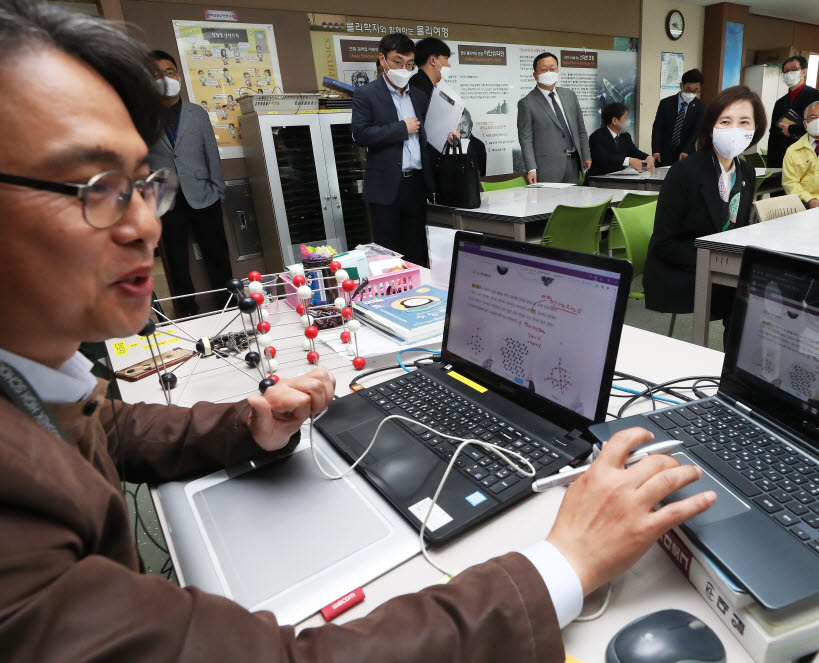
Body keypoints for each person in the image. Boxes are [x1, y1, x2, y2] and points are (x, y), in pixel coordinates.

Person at [0, 3, 716, 660]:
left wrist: (249, 427)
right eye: (93, 185)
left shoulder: (32, 380)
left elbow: (111, 429)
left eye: (140, 182)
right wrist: (560, 565)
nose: (145, 225)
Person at [644, 86, 766, 325]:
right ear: (711, 127)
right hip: (683, 268)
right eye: (725, 121)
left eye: (744, 122)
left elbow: (737, 231)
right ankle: (731, 359)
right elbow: (664, 243)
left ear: (755, 129)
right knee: (749, 296)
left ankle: (738, 359)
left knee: (767, 290)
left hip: (724, 267)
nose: (734, 129)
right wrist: (719, 262)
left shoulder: (747, 172)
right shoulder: (685, 171)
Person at [148, 49, 232, 316]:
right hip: (166, 200)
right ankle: (188, 312)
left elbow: (212, 154)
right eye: (156, 74)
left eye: (169, 72)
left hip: (204, 195)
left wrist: (218, 189)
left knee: (217, 256)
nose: (165, 78)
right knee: (177, 262)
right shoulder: (143, 117)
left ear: (179, 77)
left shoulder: (197, 114)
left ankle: (228, 305)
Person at [351, 33, 436, 266]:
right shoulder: (366, 94)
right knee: (388, 252)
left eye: (409, 64)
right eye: (398, 62)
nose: (403, 69)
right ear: (382, 59)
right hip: (386, 186)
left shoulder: (418, 96)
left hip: (416, 184)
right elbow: (361, 135)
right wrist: (401, 128)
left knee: (418, 248)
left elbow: (425, 136)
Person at [517, 52, 591, 184]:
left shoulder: (569, 95)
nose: (549, 73)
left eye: (552, 69)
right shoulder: (527, 103)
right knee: (549, 203)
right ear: (535, 75)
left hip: (574, 164)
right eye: (544, 70)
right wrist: (531, 168)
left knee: (573, 202)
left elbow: (580, 129)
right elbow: (525, 139)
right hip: (546, 168)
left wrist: (586, 155)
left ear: (558, 71)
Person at [766, 56, 819, 168]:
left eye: (793, 69)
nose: (789, 73)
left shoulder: (815, 95)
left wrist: (791, 129)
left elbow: (818, 125)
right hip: (782, 155)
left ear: (803, 71)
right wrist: (771, 163)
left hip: (805, 154)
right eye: (786, 71)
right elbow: (773, 133)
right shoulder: (780, 102)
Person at [650, 68, 705, 166]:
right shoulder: (666, 103)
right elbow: (657, 128)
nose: (691, 93)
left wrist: (686, 151)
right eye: (688, 89)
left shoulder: (701, 107)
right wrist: (656, 151)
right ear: (681, 86)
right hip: (663, 154)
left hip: (686, 154)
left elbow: (695, 132)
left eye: (695, 91)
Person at [587, 102, 654, 177]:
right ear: (614, 121)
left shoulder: (625, 136)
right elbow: (605, 158)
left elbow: (634, 152)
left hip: (619, 179)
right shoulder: (597, 136)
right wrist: (629, 161)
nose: (628, 121)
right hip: (598, 179)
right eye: (626, 118)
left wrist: (648, 158)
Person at [458, 108, 487, 176]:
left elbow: (482, 173)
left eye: (464, 124)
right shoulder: (451, 144)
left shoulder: (479, 145)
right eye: (459, 124)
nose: (461, 128)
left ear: (470, 126)